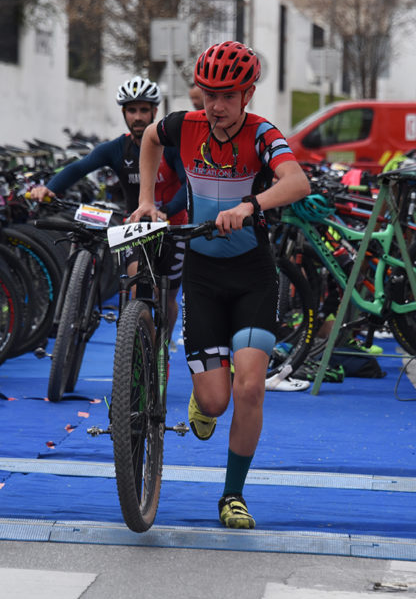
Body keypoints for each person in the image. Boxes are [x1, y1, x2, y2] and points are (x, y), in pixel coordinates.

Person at [129, 41, 311, 528]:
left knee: (250, 387)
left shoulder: (261, 133)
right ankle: (205, 398)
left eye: (228, 96)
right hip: (203, 275)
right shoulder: (184, 126)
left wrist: (251, 205)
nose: (216, 106)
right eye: (209, 94)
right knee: (215, 401)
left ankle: (232, 494)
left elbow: (298, 182)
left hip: (253, 274)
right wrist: (147, 200)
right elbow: (149, 140)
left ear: (248, 94)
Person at [29, 76, 189, 331]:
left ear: (155, 112)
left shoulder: (169, 147)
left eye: (144, 110)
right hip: (136, 227)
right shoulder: (116, 148)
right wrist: (49, 189)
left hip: (173, 226)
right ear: (124, 113)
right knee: (138, 287)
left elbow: (187, 186)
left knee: (166, 298)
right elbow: (79, 167)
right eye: (132, 110)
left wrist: (165, 211)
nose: (138, 117)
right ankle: (140, 343)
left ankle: (163, 346)